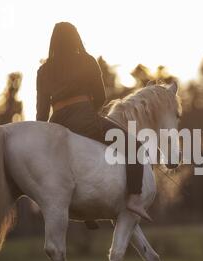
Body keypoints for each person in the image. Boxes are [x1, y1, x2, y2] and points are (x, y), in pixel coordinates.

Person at [36, 22, 148, 223]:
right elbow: (100, 97)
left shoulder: (44, 70)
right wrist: (90, 113)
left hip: (57, 124)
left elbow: (41, 113)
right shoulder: (87, 61)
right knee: (135, 147)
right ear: (76, 38)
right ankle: (134, 198)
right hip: (85, 119)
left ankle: (86, 214)